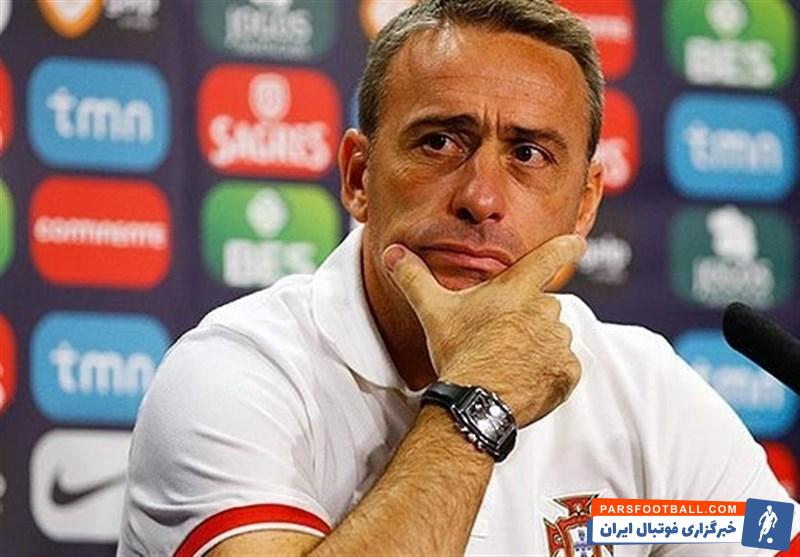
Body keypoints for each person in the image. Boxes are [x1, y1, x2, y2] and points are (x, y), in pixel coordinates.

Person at [118, 0, 800, 555]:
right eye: (440, 141)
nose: (481, 197)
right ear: (358, 177)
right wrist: (480, 399)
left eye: (529, 154)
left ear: (585, 204)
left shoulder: (648, 390)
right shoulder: (234, 375)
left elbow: (764, 538)